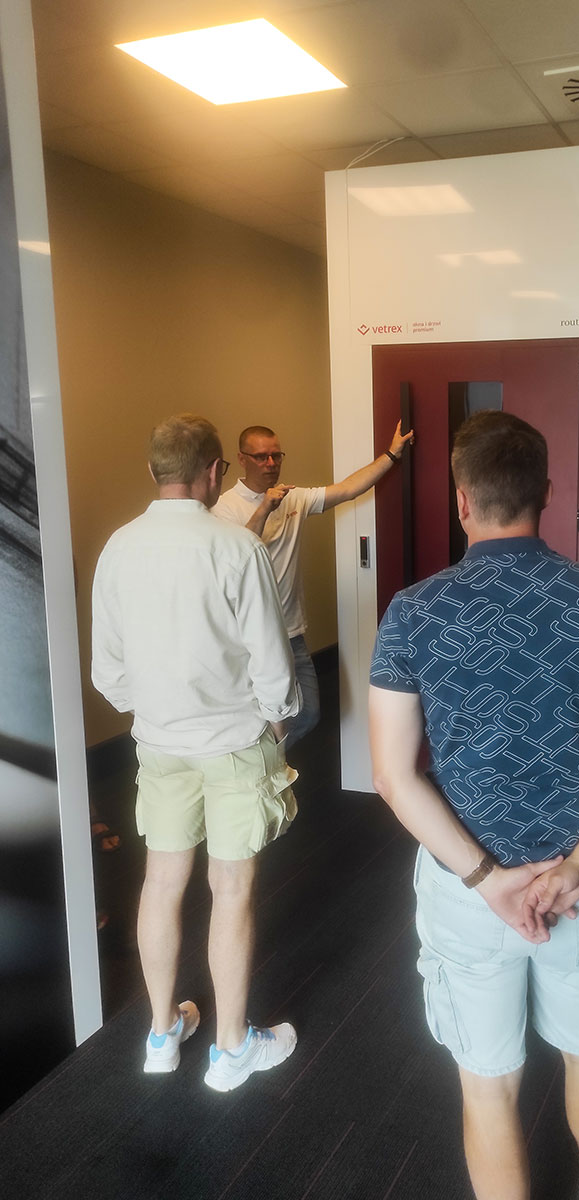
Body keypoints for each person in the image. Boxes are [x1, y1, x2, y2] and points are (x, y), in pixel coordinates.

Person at [369, 411, 579, 1200]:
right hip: (578, 884)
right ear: (546, 491)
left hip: (467, 891)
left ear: (461, 500)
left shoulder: (412, 612)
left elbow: (394, 777)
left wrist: (485, 879)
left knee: (487, 1083)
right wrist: (578, 866)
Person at [92, 413, 300, 1092]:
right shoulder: (235, 547)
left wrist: (155, 709)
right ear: (214, 472)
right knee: (230, 889)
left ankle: (161, 1034)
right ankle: (232, 1048)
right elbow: (273, 665)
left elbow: (108, 673)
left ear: (152, 471)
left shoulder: (119, 548)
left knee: (161, 882)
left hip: (159, 743)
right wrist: (277, 725)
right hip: (235, 742)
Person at [213, 419, 414, 751]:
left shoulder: (293, 498)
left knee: (308, 713)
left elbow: (347, 489)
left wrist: (391, 454)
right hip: (248, 637)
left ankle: (265, 763)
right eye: (262, 456)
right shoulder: (224, 507)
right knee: (258, 714)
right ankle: (257, 767)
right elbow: (238, 554)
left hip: (291, 632)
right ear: (242, 459)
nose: (271, 463)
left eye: (277, 455)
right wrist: (264, 508)